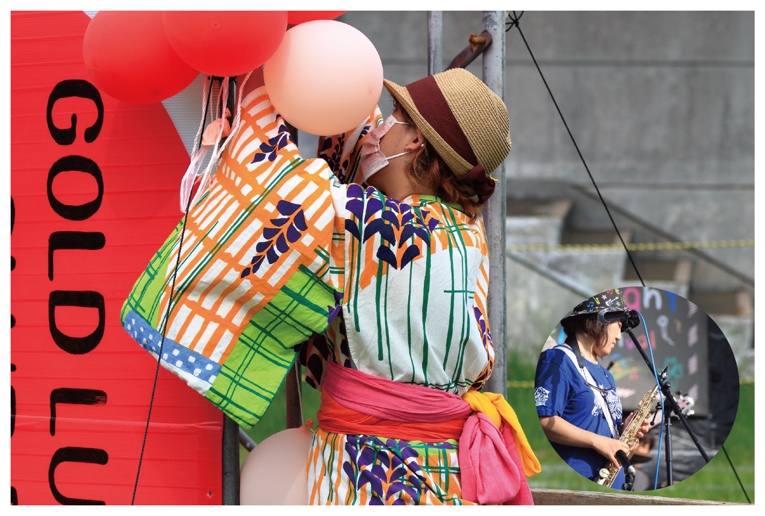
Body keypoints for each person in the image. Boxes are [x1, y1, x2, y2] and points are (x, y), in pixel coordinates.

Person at [196, 65, 540, 505]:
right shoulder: (466, 232)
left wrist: (251, 82)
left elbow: (272, 188)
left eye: (394, 114)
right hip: (447, 468)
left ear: (416, 140)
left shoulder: (369, 222)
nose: (378, 129)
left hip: (374, 470)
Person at [534, 288, 650, 490]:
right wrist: (599, 442)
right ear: (599, 320)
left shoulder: (607, 376)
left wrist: (624, 432)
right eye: (618, 325)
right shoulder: (558, 360)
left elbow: (595, 426)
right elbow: (545, 421)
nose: (620, 337)